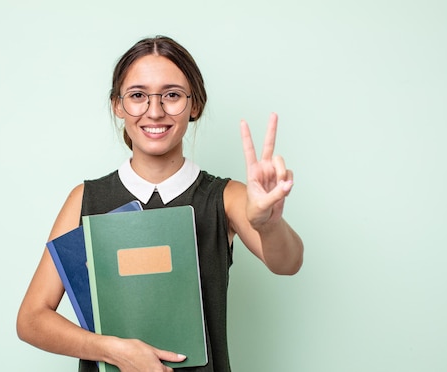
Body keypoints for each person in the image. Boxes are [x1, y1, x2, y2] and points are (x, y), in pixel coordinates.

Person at [17, 35, 304, 372]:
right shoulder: (85, 199)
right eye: (138, 96)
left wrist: (266, 221)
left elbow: (288, 262)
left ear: (194, 105)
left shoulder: (226, 198)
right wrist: (113, 350)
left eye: (171, 95)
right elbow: (31, 319)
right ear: (118, 105)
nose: (155, 111)